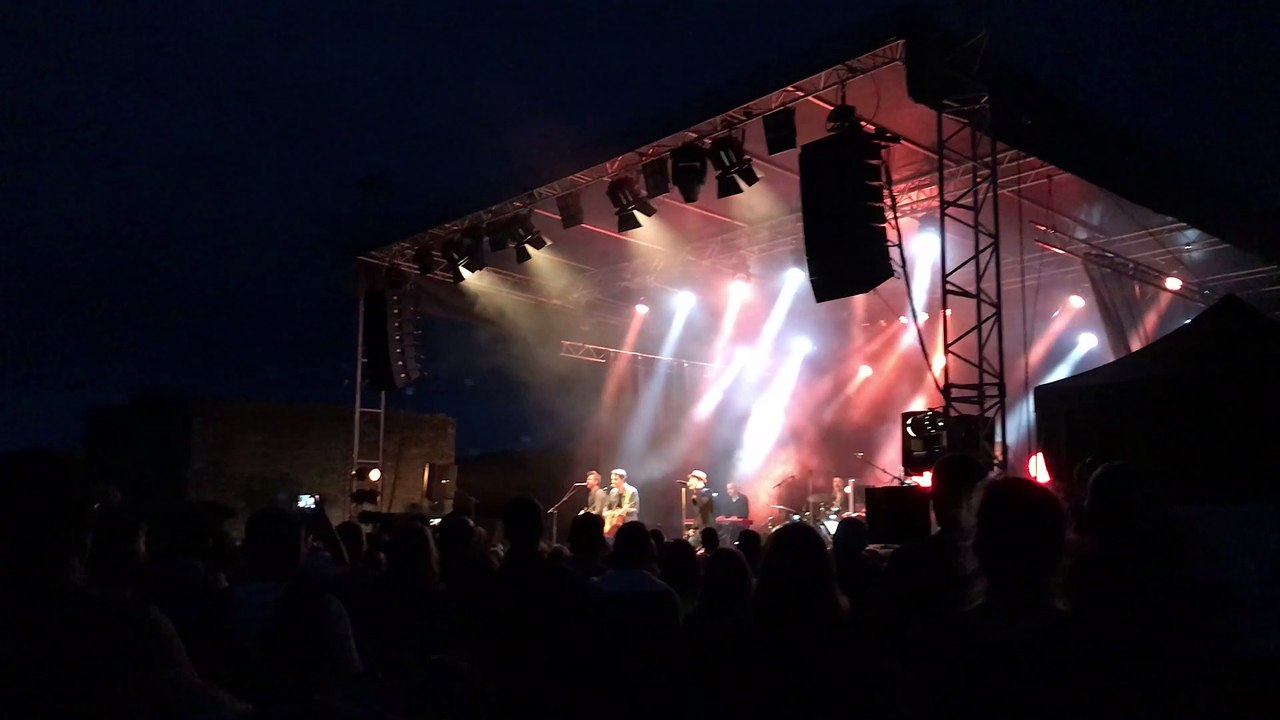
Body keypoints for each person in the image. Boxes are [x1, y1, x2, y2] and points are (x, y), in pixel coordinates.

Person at [604, 468, 639, 535]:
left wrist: (626, 510)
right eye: (612, 479)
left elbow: (636, 510)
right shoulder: (612, 492)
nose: (612, 481)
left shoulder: (632, 491)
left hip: (628, 523)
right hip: (614, 523)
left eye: (615, 479)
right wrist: (607, 514)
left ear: (623, 479)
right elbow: (606, 507)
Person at [686, 470, 715, 536]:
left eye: (692, 479)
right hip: (700, 528)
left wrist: (696, 494)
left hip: (707, 529)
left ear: (699, 480)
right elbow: (698, 515)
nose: (689, 481)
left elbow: (702, 504)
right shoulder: (696, 494)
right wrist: (693, 528)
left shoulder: (707, 492)